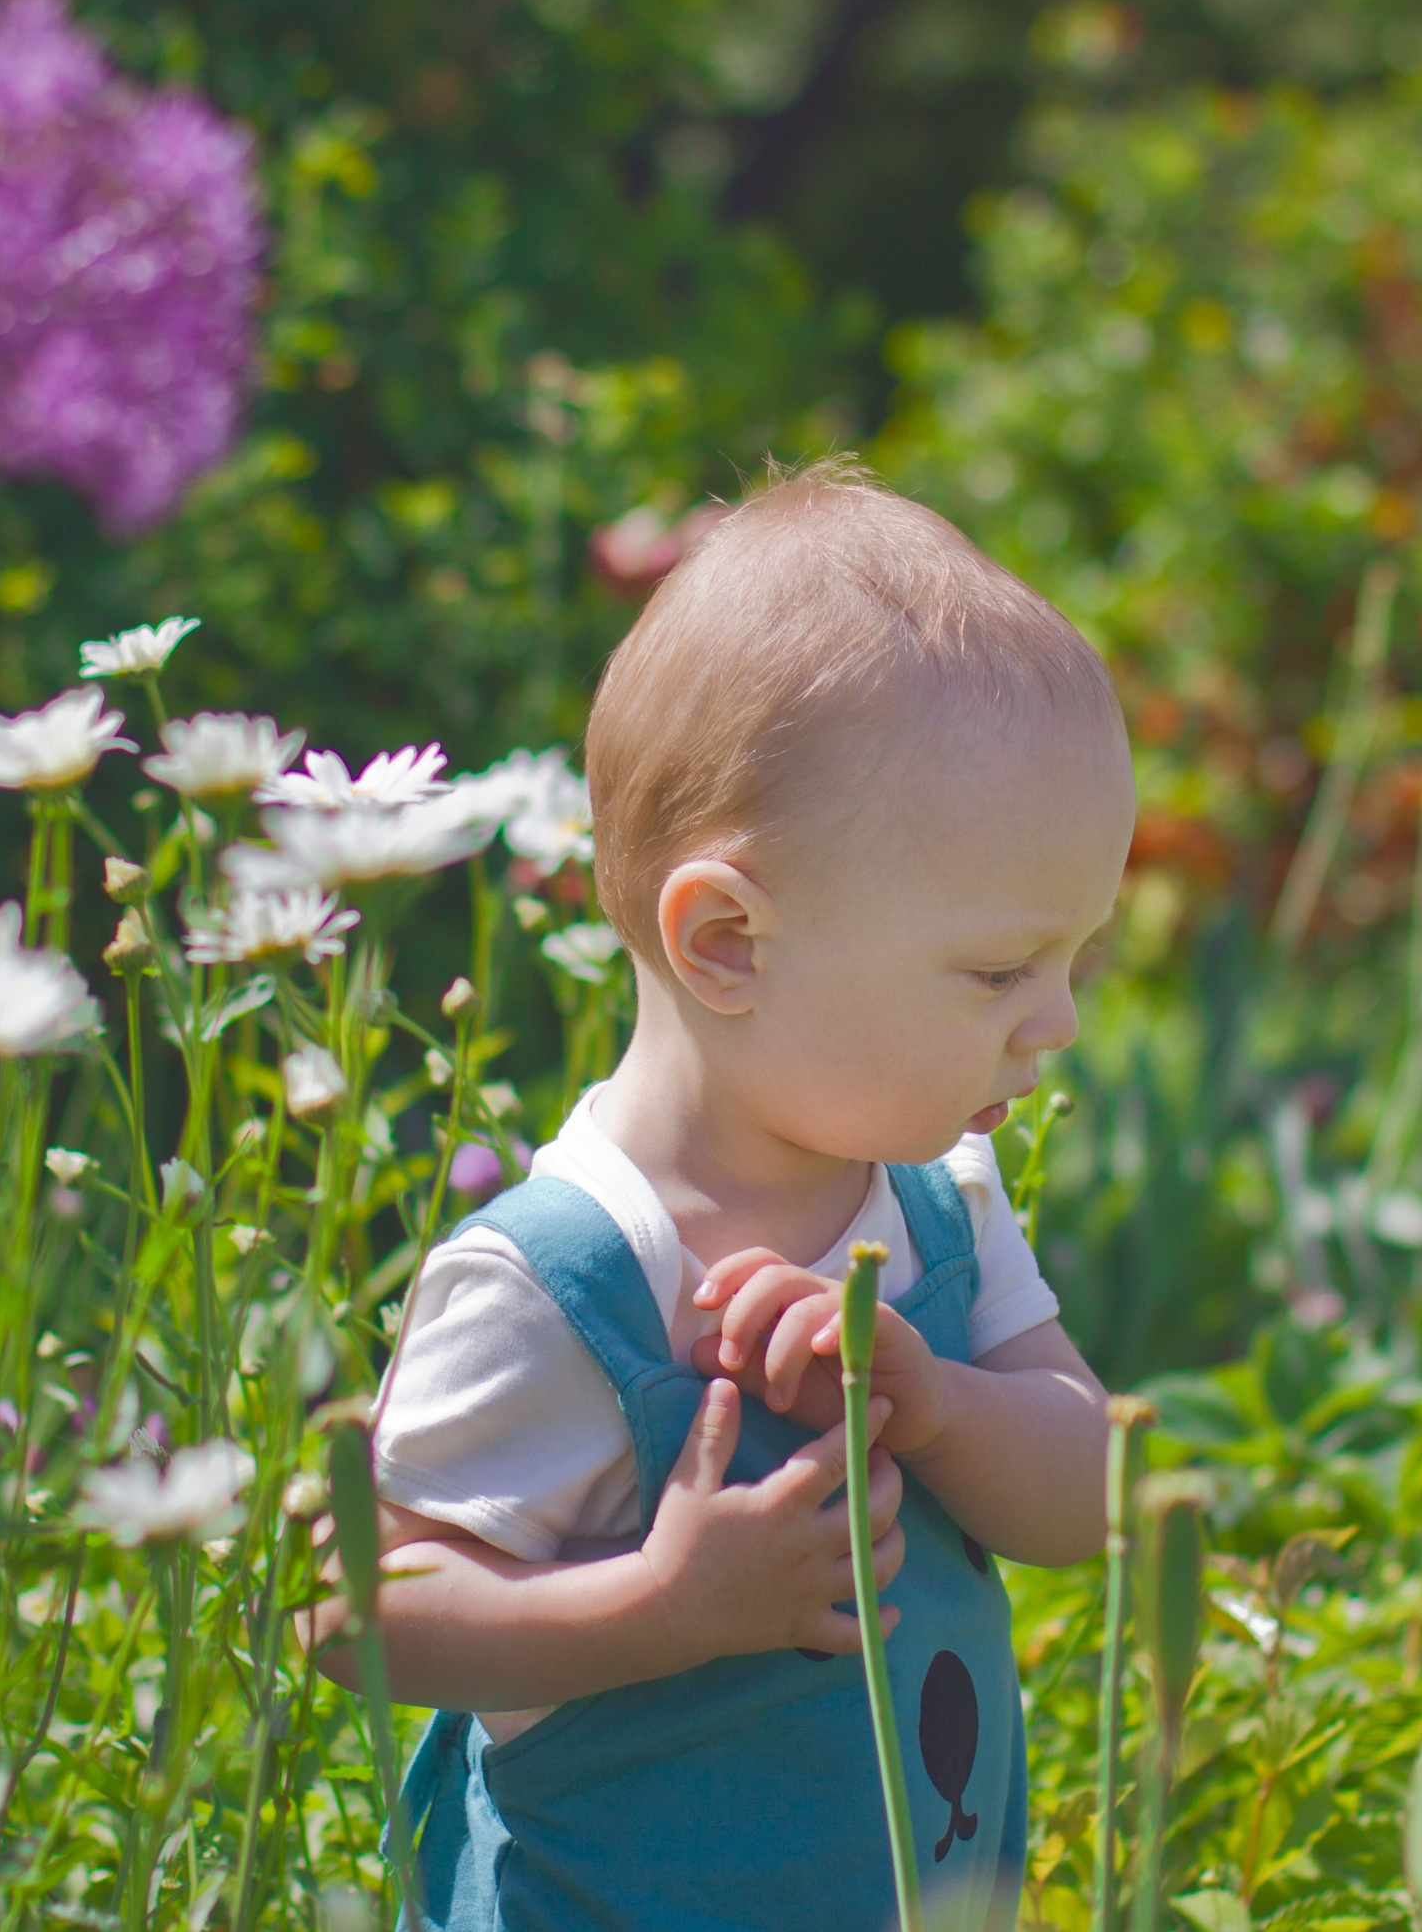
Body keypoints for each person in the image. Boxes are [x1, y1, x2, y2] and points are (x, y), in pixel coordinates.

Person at [309, 458, 1132, 1931]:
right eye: (1005, 969)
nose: (1056, 1021)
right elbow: (361, 1620)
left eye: (1076, 960)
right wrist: (668, 1605)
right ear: (730, 944)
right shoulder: (558, 1280)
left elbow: (1090, 1496)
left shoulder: (940, 1203)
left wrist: (936, 1401)